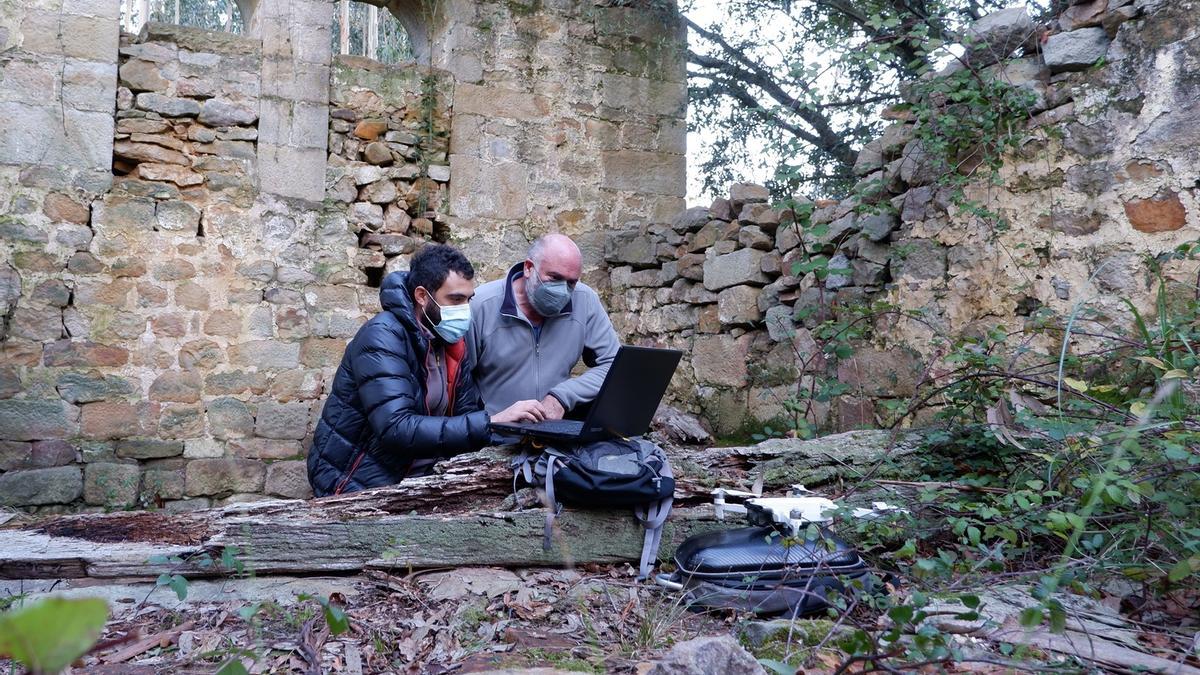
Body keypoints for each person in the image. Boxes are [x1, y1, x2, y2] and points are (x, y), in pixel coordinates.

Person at [307, 244, 546, 496]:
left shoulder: (451, 343)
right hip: (355, 479)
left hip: (415, 478)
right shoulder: (382, 337)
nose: (465, 309)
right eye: (455, 299)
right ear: (422, 296)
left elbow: (464, 414)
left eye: (468, 299)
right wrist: (492, 421)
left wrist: (518, 434)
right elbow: (396, 427)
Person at [468, 233, 620, 420]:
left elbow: (614, 366)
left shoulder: (585, 301)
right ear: (529, 268)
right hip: (494, 435)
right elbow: (457, 379)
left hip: (553, 433)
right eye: (554, 278)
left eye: (571, 282)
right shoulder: (481, 305)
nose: (563, 290)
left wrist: (562, 397)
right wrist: (485, 421)